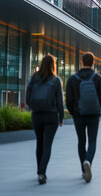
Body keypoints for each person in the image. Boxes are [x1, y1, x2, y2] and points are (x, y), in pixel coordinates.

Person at [66, 52, 101, 183]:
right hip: (93, 114)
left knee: (81, 141)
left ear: (82, 62)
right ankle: (88, 161)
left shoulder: (73, 78)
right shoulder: (97, 78)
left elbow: (69, 99)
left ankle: (83, 169)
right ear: (93, 62)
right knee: (92, 141)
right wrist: (100, 111)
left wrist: (73, 112)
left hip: (79, 114)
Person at [26, 54, 64, 184]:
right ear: (53, 65)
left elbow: (27, 97)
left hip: (36, 114)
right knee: (47, 144)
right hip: (51, 115)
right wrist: (61, 117)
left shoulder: (33, 78)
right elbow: (59, 101)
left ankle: (39, 171)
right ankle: (42, 172)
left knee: (39, 143)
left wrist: (32, 107)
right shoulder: (55, 80)